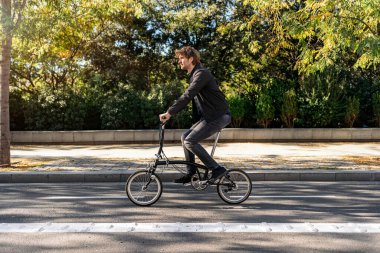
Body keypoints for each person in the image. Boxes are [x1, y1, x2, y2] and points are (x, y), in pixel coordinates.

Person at [159, 46, 231, 184]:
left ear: (191, 59)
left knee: (190, 141)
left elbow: (187, 96)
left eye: (181, 58)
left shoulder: (201, 74)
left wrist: (169, 112)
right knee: (185, 137)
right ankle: (191, 174)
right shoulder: (195, 76)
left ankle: (217, 169)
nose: (179, 61)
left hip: (219, 116)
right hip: (210, 116)